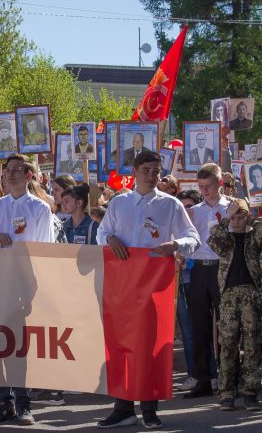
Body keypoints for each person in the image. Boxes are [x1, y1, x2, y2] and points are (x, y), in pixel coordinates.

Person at [95, 151, 200, 429]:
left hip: (154, 286)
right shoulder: (119, 203)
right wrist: (110, 238)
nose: (152, 175)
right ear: (135, 170)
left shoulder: (170, 205)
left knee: (151, 345)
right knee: (120, 343)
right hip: (123, 284)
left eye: (156, 171)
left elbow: (193, 237)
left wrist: (175, 245)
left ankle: (150, 407)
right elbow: (101, 233)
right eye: (147, 170)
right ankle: (123, 407)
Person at [0, 154, 56, 426]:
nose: (11, 175)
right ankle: (3, 402)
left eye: (17, 170)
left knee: (20, 347)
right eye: (7, 170)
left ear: (28, 175)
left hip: (25, 285)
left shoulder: (39, 209)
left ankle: (24, 404)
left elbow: (46, 250)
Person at [207, 198, 262, 411]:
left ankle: (250, 392)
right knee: (227, 345)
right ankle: (227, 392)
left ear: (247, 217)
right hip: (229, 296)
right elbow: (212, 240)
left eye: (241, 217)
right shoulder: (225, 237)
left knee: (252, 345)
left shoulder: (253, 236)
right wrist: (226, 218)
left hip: (251, 294)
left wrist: (252, 215)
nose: (237, 221)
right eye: (234, 217)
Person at [184, 163, 230, 400]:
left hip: (224, 268)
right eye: (201, 187)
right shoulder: (195, 211)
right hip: (200, 269)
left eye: (209, 186)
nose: (205, 191)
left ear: (219, 183)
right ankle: (203, 379)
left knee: (227, 326)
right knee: (199, 325)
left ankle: (228, 378)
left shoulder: (231, 207)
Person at [175, 189, 203, 392]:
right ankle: (194, 374)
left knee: (205, 329)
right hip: (180, 283)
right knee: (187, 331)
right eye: (182, 207)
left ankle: (212, 373)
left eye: (190, 207)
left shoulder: (203, 224)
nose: (186, 211)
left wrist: (190, 263)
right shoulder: (175, 225)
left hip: (201, 282)